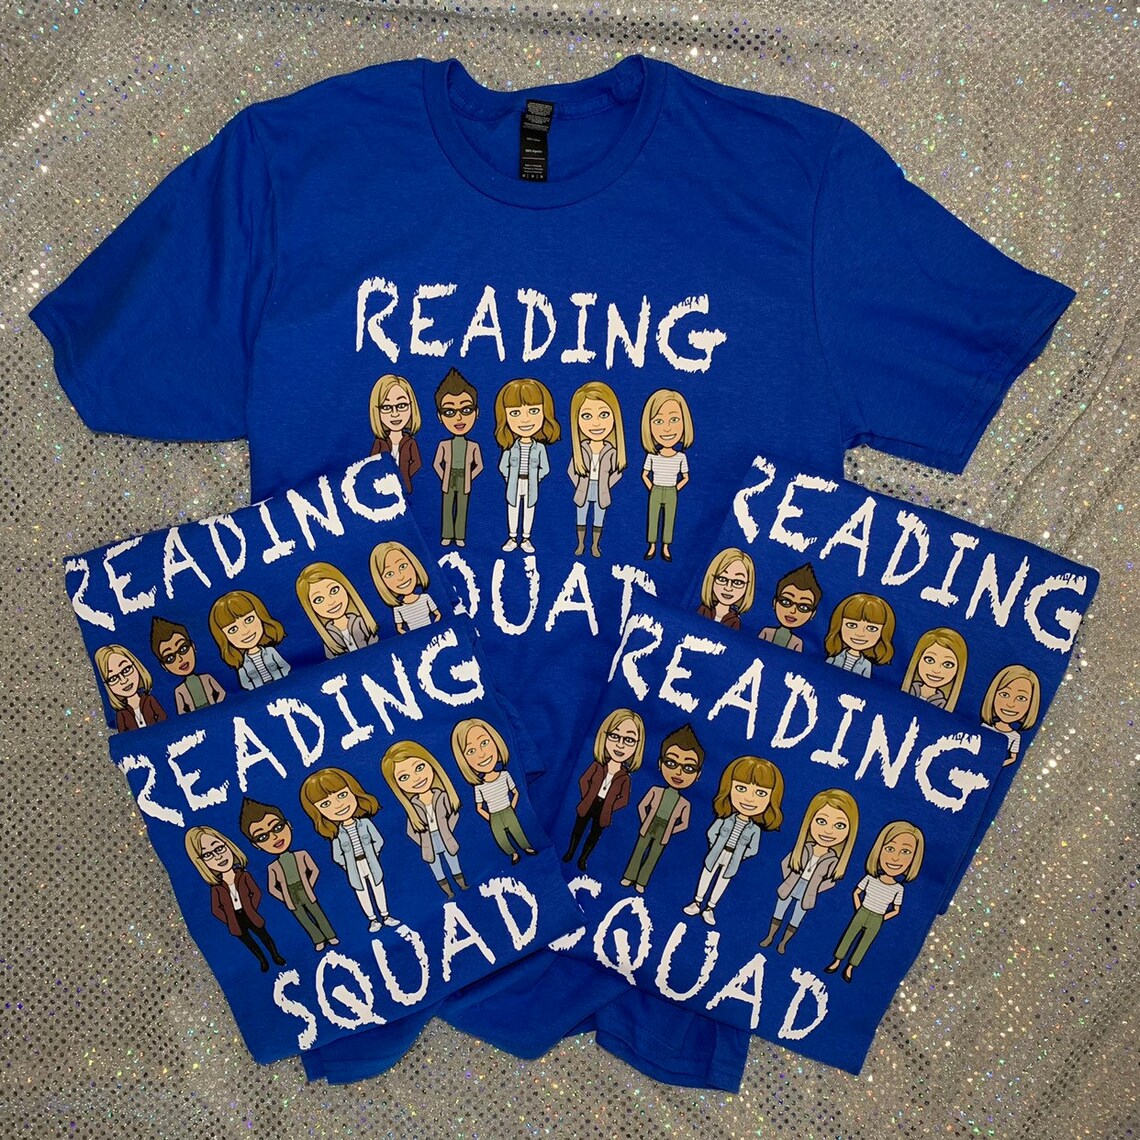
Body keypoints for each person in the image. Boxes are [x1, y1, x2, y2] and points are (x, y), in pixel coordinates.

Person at [683, 755, 784, 927]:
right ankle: (697, 902)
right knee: (707, 874)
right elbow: (712, 832)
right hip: (717, 852)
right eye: (741, 788)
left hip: (733, 858)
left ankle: (710, 908)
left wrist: (740, 855)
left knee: (723, 881)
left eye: (760, 793)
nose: (749, 798)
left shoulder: (754, 829)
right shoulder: (725, 819)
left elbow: (753, 848)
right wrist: (715, 846)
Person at [299, 767, 399, 933]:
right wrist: (348, 865)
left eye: (342, 795)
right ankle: (373, 920)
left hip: (371, 861)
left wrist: (373, 854)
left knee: (378, 886)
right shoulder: (337, 834)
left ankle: (386, 916)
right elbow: (337, 855)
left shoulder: (365, 823)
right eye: (326, 804)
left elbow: (378, 840)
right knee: (361, 892)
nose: (338, 805)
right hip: (354, 867)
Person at [759, 789, 859, 954]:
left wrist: (815, 888)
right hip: (792, 883)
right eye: (821, 821)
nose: (828, 831)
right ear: (810, 821)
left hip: (809, 891)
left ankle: (783, 943)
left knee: (796, 918)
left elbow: (831, 881)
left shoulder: (833, 859)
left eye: (839, 826)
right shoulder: (804, 848)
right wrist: (790, 878)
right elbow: (786, 863)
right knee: (779, 910)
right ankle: (770, 936)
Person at [826, 820, 924, 982]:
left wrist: (882, 918)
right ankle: (837, 961)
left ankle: (850, 968)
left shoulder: (898, 888)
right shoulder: (870, 878)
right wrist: (859, 908)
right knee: (848, 936)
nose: (895, 858)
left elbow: (897, 909)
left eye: (906, 852)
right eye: (890, 848)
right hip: (863, 911)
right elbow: (857, 892)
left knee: (865, 943)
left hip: (877, 918)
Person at [239, 796, 338, 952]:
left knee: (318, 913)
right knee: (303, 919)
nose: (274, 837)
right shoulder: (273, 866)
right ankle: (318, 939)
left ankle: (330, 936)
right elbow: (272, 888)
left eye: (277, 827)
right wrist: (284, 897)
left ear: (289, 825)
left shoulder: (301, 854)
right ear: (256, 845)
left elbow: (314, 870)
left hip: (304, 889)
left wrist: (308, 884)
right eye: (262, 837)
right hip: (290, 894)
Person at [185, 825, 286, 971]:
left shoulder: (244, 875)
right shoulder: (216, 888)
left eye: (219, 848)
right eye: (207, 855)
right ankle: (263, 961)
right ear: (201, 862)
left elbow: (256, 893)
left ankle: (275, 956)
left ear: (228, 846)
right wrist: (228, 918)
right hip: (235, 920)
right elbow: (215, 909)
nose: (218, 856)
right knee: (249, 942)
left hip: (250, 913)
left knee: (264, 936)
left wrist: (251, 907)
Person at [620, 724, 704, 893]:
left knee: (653, 856)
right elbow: (642, 805)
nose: (678, 772)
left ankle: (642, 882)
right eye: (671, 763)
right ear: (660, 763)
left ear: (698, 775)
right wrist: (646, 819)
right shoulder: (655, 790)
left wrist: (671, 830)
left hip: (665, 830)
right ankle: (629, 876)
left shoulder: (684, 803)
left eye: (688, 768)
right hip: (650, 824)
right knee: (639, 850)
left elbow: (684, 823)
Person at [381, 740, 468, 897]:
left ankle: (462, 885)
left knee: (453, 861)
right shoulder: (413, 806)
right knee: (437, 869)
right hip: (428, 841)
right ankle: (449, 893)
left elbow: (454, 814)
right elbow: (410, 830)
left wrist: (447, 830)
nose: (416, 778)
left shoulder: (441, 796)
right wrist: (424, 842)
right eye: (404, 777)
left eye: (419, 767)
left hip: (445, 836)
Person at [563, 708, 645, 872]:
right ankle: (570, 852)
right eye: (614, 736)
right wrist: (587, 795)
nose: (620, 744)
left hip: (604, 810)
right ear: (604, 736)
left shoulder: (625, 777)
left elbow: (624, 799)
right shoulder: (597, 765)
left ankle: (583, 859)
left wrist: (610, 806)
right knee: (578, 829)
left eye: (629, 740)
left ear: (638, 745)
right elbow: (583, 780)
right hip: (589, 802)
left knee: (594, 835)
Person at [450, 717, 537, 864]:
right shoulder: (479, 786)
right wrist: (490, 818)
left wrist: (512, 807)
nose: (481, 754)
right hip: (494, 815)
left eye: (484, 743)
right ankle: (513, 854)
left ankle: (526, 847)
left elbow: (515, 792)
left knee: (518, 832)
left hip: (508, 809)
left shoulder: (505, 775)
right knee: (501, 839)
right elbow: (479, 807)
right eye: (471, 751)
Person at [494, 377, 561, 553]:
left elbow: (545, 468)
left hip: (531, 483)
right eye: (515, 413)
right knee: (513, 507)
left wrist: (536, 478)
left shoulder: (539, 447)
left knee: (529, 508)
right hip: (514, 482)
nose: (525, 419)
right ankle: (512, 537)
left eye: (533, 411)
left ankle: (526, 538)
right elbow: (503, 466)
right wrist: (509, 477)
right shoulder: (510, 446)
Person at [566, 380, 626, 558]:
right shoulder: (581, 448)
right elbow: (571, 470)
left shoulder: (611, 450)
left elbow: (618, 473)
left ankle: (595, 546)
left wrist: (606, 484)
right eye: (586, 416)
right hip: (583, 488)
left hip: (602, 490)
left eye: (604, 414)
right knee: (581, 516)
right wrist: (580, 484)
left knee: (598, 518)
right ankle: (580, 544)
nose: (596, 423)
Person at [640, 388, 694, 563]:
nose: (667, 427)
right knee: (653, 518)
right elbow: (644, 475)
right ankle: (652, 546)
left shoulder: (681, 457)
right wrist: (652, 488)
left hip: (671, 491)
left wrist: (675, 489)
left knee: (669, 519)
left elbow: (686, 477)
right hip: (656, 490)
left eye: (674, 419)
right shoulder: (652, 456)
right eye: (658, 421)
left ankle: (666, 547)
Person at [432, 368, 483, 548]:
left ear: (476, 412)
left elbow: (479, 466)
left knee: (462, 508)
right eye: (449, 412)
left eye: (466, 409)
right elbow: (436, 463)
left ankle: (460, 536)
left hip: (464, 478)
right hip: (449, 477)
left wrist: (469, 476)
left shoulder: (473, 445)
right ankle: (447, 535)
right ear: (440, 416)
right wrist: (444, 476)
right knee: (447, 508)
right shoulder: (444, 444)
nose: (459, 417)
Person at [208, 590, 290, 690]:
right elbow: (245, 682)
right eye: (233, 629)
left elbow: (285, 666)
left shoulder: (270, 651)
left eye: (249, 620)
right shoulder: (243, 664)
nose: (245, 631)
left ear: (260, 616)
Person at [295, 562, 379, 657]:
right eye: (319, 599)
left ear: (345, 587)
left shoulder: (360, 622)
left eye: (334, 590)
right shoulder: (328, 636)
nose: (331, 602)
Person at [149, 617, 225, 712]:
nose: (180, 659)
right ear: (164, 666)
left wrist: (218, 707)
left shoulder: (206, 678)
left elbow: (221, 693)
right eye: (170, 658)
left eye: (183, 649)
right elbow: (181, 712)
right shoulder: (179, 690)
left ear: (193, 646)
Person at [369, 540, 442, 634]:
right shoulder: (398, 609)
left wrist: (435, 628)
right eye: (389, 574)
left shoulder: (425, 598)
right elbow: (399, 629)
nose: (400, 577)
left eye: (403, 566)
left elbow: (438, 615)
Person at [368, 373, 423, 493]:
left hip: (404, 486)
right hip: (383, 488)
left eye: (401, 406)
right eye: (386, 407)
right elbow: (372, 462)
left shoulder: (410, 442)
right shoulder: (380, 442)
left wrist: (404, 473)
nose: (395, 413)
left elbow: (417, 462)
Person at [94, 643, 167, 731]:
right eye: (113, 678)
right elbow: (125, 736)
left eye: (126, 670)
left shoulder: (149, 700)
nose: (123, 680)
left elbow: (165, 723)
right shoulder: (121, 714)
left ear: (136, 666)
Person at [980, 664, 1041, 765]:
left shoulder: (1015, 736)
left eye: (1021, 698)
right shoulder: (985, 726)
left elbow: (1013, 758)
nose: (1011, 704)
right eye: (1004, 694)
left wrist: (995, 766)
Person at [823, 593, 896, 678]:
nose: (860, 634)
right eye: (852, 625)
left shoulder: (866, 664)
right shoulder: (834, 657)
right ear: (839, 625)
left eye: (871, 628)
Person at [758, 564, 822, 652]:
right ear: (775, 602)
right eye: (786, 602)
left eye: (803, 607)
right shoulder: (766, 631)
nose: (793, 611)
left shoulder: (797, 642)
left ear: (813, 614)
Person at [900, 628, 968, 710]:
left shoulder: (942, 703)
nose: (936, 670)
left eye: (947, 664)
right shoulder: (910, 689)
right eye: (929, 660)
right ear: (918, 659)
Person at [696, 548, 755, 630]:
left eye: (737, 582)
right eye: (722, 579)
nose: (728, 588)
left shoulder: (735, 621)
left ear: (747, 586)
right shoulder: (704, 609)